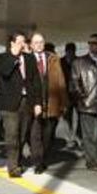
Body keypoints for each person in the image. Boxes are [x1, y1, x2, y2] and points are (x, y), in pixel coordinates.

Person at [0, 32, 43, 177]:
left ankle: (18, 160)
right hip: (9, 104)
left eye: (24, 42)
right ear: (12, 43)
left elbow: (36, 82)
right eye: (19, 42)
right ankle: (13, 167)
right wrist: (14, 57)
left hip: (26, 101)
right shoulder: (2, 57)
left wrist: (37, 103)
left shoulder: (29, 58)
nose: (22, 45)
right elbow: (4, 73)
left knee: (22, 135)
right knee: (12, 136)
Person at [29, 32, 68, 174]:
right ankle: (38, 162)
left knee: (48, 135)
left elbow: (60, 81)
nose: (39, 45)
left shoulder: (53, 59)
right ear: (31, 45)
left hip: (51, 103)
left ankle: (43, 157)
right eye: (36, 43)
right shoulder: (27, 59)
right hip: (34, 104)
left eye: (41, 42)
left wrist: (63, 103)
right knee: (35, 134)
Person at [70, 33, 97, 170]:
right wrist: (83, 97)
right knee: (88, 135)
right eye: (90, 43)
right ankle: (91, 161)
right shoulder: (79, 62)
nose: (92, 45)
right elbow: (73, 83)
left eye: (95, 43)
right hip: (87, 104)